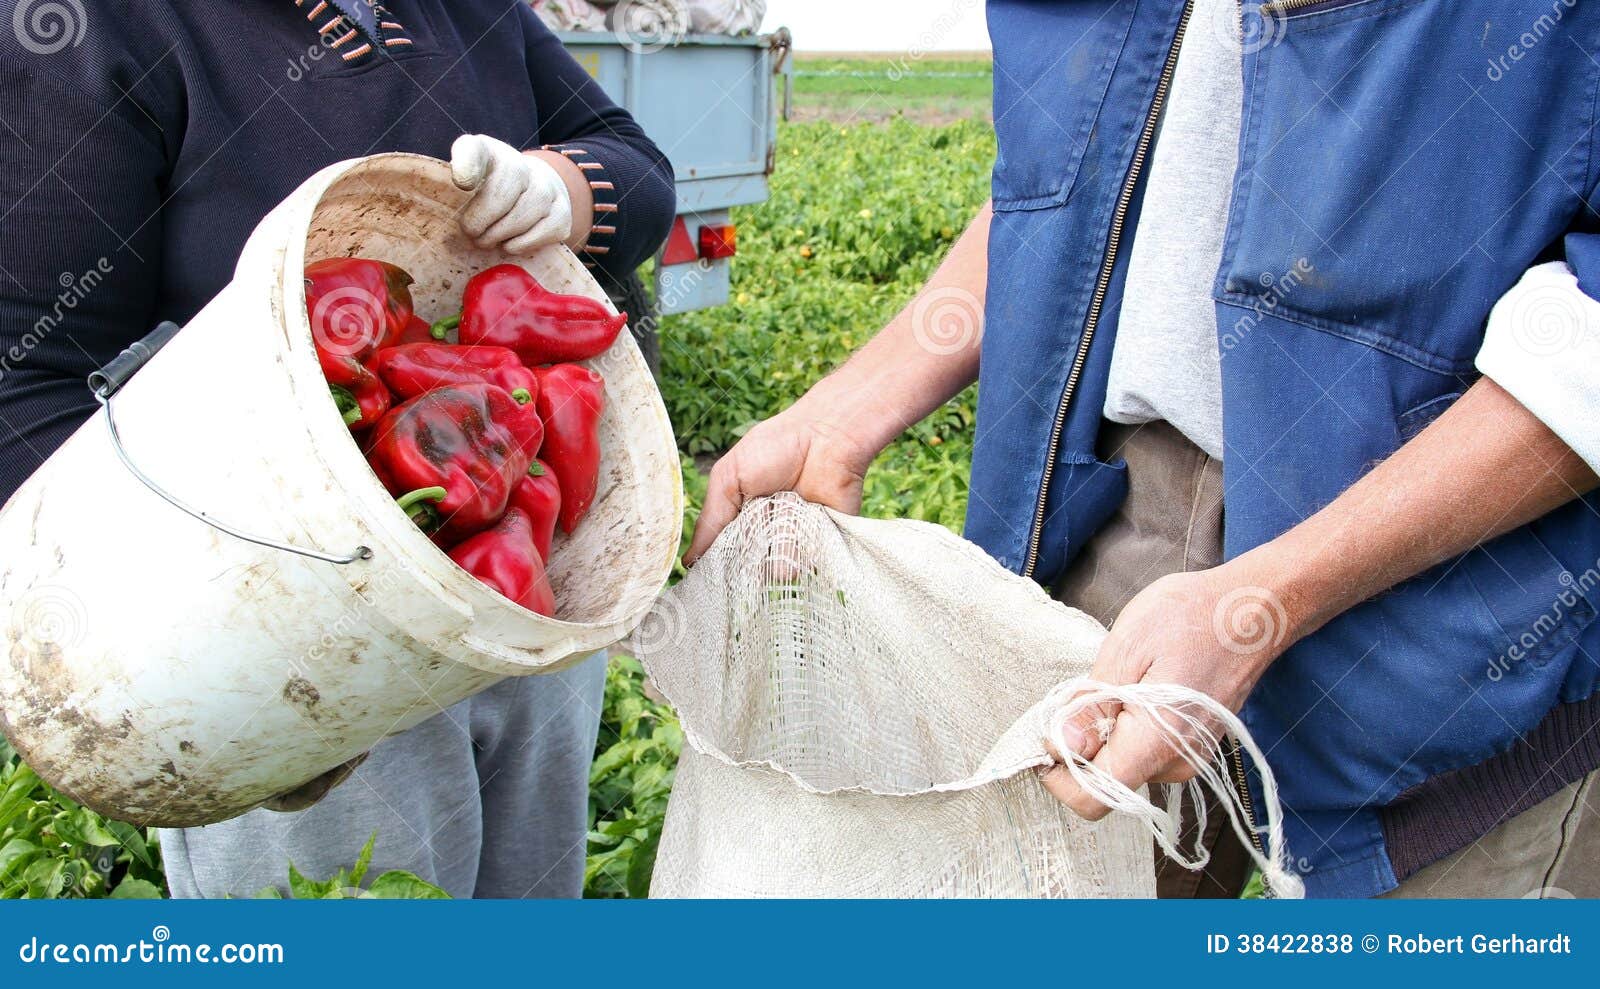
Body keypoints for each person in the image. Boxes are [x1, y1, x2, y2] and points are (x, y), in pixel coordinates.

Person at [688, 0, 1600, 898]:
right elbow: (1083, 175)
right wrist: (847, 408)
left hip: (1468, 559)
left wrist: (1266, 597)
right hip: (1138, 510)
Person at [0, 1, 674, 898]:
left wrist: (563, 186)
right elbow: (29, 384)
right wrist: (185, 663)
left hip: (517, 579)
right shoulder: (98, 27)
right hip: (284, 611)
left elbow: (638, 167)